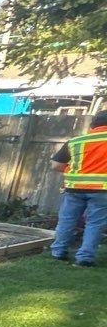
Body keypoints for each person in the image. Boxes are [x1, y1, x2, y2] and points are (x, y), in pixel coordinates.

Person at [49, 109, 107, 267]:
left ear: (93, 124)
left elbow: (56, 165)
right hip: (103, 190)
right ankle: (85, 258)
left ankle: (58, 252)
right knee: (94, 223)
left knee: (67, 220)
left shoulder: (76, 141)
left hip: (74, 189)